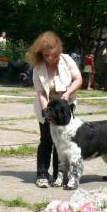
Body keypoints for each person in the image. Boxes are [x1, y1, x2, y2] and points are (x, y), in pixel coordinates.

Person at [27, 31, 82, 188]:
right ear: (41, 54)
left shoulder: (67, 60)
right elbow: (41, 93)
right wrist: (47, 114)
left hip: (65, 108)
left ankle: (61, 174)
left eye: (52, 55)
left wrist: (68, 93)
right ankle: (42, 174)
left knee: (63, 141)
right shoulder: (38, 67)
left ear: (57, 52)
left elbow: (78, 79)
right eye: (46, 55)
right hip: (47, 106)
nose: (49, 58)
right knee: (46, 141)